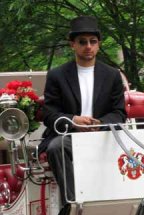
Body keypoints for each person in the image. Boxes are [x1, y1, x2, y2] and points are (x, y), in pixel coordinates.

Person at [39, 16, 127, 205]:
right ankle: (72, 204)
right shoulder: (57, 75)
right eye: (82, 42)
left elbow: (119, 113)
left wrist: (101, 124)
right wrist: (73, 120)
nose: (88, 46)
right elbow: (49, 114)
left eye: (92, 41)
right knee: (57, 147)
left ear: (98, 44)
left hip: (103, 137)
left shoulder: (112, 75)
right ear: (73, 45)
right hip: (69, 137)